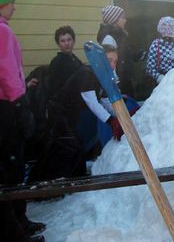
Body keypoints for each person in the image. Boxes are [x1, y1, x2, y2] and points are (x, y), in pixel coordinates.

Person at [32, 46, 124, 180]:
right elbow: (92, 102)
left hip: (71, 115)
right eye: (109, 60)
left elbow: (104, 99)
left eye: (115, 61)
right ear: (100, 60)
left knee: (75, 146)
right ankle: (45, 184)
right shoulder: (87, 73)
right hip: (58, 113)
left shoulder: (102, 76)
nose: (112, 64)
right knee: (66, 147)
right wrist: (111, 121)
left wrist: (121, 114)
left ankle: (75, 179)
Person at [0, 0, 46, 242]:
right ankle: (16, 234)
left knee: (12, 167)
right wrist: (21, 105)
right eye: (11, 2)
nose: (15, 7)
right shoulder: (2, 31)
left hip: (7, 105)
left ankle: (20, 222)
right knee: (13, 168)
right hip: (9, 108)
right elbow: (6, 71)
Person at [96, 5, 134, 96]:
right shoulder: (109, 38)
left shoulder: (119, 36)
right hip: (119, 85)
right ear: (114, 20)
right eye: (123, 18)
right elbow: (109, 63)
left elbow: (122, 56)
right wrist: (116, 88)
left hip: (124, 81)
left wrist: (135, 56)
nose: (125, 20)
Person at [146, 16, 174, 84]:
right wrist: (159, 77)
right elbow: (150, 67)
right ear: (169, 29)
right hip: (163, 83)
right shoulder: (156, 45)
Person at [48, 25, 83, 97]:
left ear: (74, 41)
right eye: (63, 41)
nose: (67, 43)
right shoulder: (57, 62)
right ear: (58, 44)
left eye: (69, 40)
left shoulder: (74, 58)